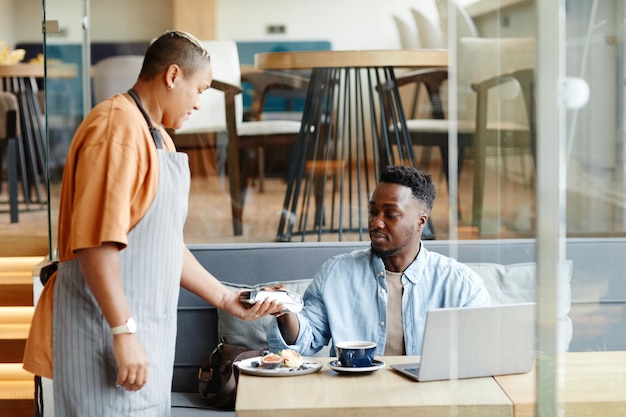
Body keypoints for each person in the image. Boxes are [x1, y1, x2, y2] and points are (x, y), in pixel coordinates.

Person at [22, 30, 283, 416]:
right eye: (200, 89)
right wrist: (122, 331)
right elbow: (95, 245)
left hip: (144, 343)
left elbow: (164, 245)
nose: (199, 103)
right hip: (102, 338)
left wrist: (227, 298)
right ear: (173, 75)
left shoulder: (158, 136)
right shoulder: (116, 130)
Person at [267, 165, 491, 357]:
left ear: (420, 222)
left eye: (390, 215)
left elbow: (483, 352)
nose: (376, 223)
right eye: (373, 212)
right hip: (354, 397)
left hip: (433, 400)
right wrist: (285, 311)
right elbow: (306, 340)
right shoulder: (336, 273)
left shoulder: (460, 284)